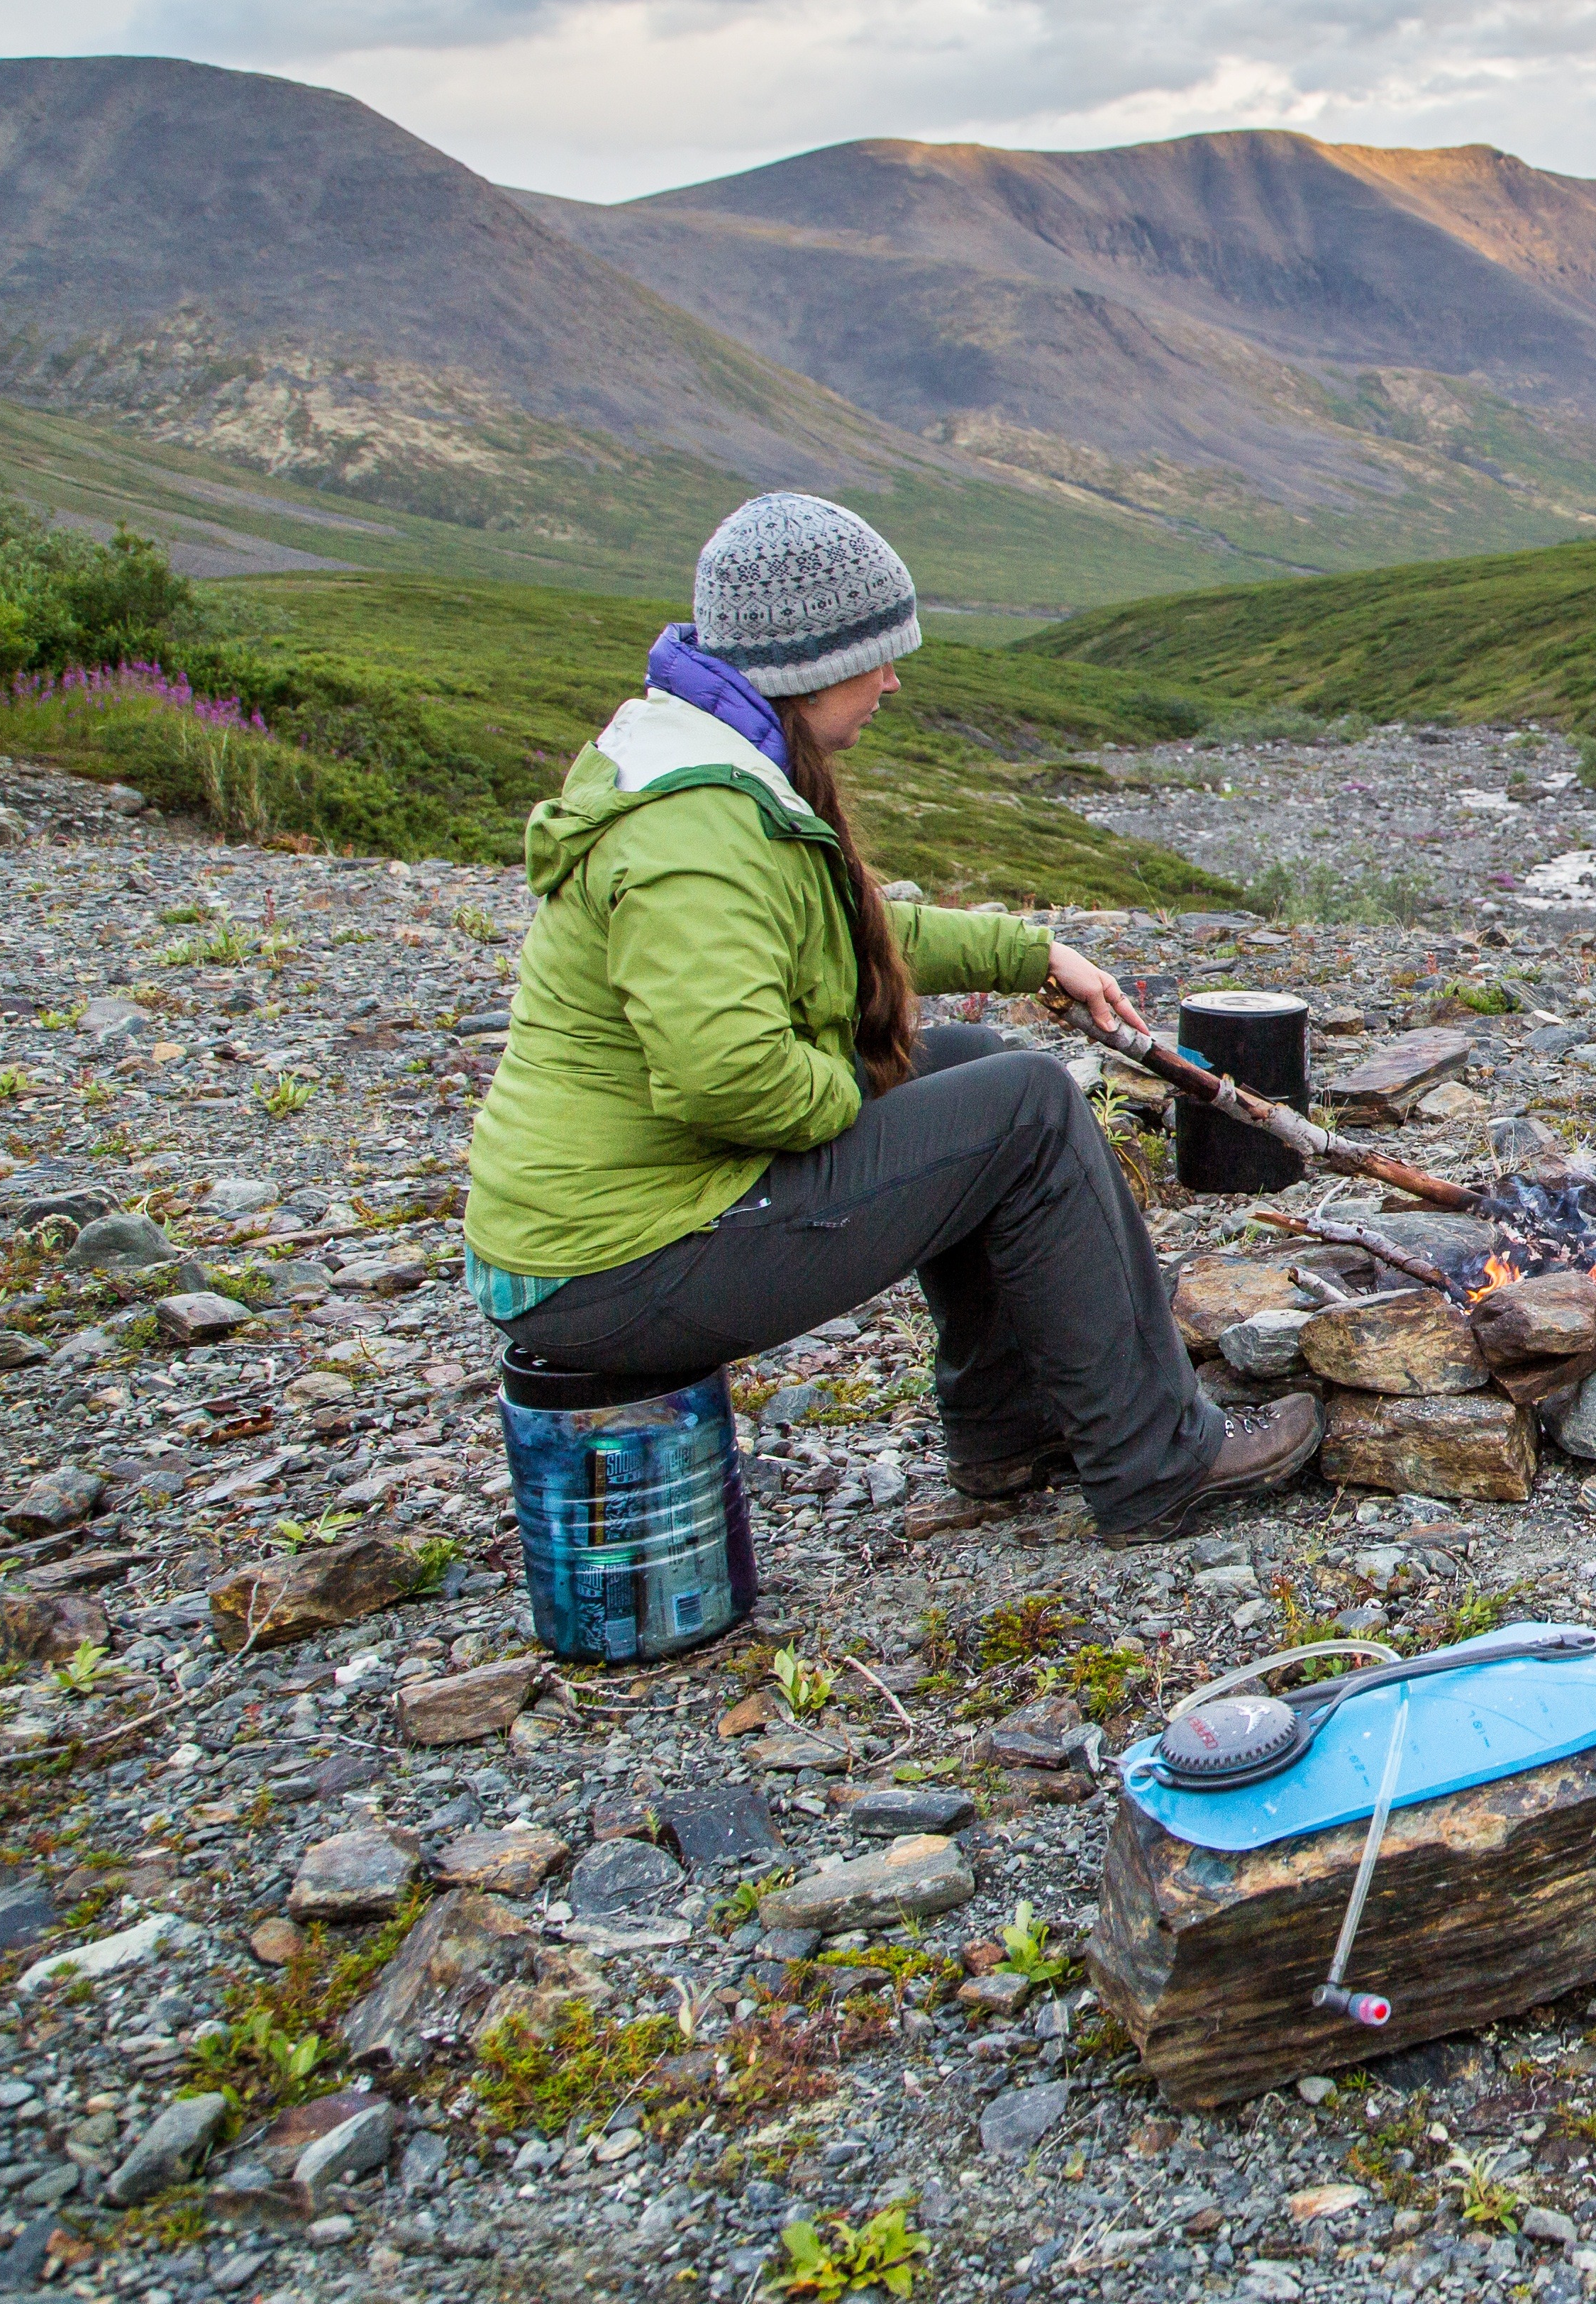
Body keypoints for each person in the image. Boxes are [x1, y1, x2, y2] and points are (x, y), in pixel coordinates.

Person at [459, 492, 1317, 1541]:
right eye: (877, 656)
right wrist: (855, 1076)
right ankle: (1159, 1464)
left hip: (617, 1231)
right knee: (1028, 1106)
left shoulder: (712, 767)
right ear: (811, 661)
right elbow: (728, 1079)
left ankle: (1013, 1431)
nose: (893, 680)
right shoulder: (695, 830)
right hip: (615, 1269)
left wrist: (1028, 953)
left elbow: (837, 934)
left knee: (957, 1058)